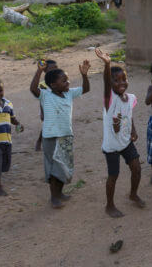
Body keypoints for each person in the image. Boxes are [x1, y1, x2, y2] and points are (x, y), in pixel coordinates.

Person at [30, 59, 90, 209]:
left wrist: (84, 75)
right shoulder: (45, 95)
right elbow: (33, 89)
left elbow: (86, 89)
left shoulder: (69, 93)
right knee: (53, 168)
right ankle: (54, 197)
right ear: (53, 85)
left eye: (67, 79)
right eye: (64, 81)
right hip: (50, 138)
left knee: (63, 166)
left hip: (66, 136)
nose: (68, 82)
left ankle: (60, 193)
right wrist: (39, 71)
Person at [95, 48, 145, 218]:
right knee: (113, 176)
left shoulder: (130, 98)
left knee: (136, 168)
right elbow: (106, 83)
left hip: (126, 141)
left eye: (124, 79)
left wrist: (133, 129)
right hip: (112, 147)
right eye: (116, 81)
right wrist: (107, 64)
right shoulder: (110, 99)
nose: (121, 83)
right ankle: (109, 205)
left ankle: (133, 193)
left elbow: (128, 114)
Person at [35, 59, 58, 151]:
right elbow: (41, 99)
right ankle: (39, 140)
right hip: (47, 108)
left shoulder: (60, 80)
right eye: (51, 69)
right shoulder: (42, 85)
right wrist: (42, 111)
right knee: (46, 125)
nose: (54, 70)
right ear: (45, 71)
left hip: (58, 107)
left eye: (56, 68)